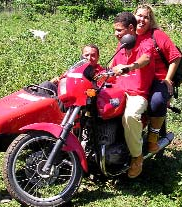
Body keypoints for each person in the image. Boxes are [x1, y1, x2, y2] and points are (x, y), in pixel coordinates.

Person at [109, 12, 155, 178]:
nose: (116, 34)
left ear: (130, 28)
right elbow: (112, 67)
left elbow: (145, 59)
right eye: (115, 30)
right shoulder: (121, 45)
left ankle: (137, 157)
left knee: (130, 116)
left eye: (119, 30)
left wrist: (129, 67)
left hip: (137, 93)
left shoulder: (146, 42)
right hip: (118, 90)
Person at [133, 4, 181, 153]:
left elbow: (175, 57)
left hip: (157, 79)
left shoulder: (157, 35)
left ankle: (152, 139)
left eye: (146, 17)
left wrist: (167, 79)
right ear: (133, 16)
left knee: (157, 101)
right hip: (137, 79)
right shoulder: (130, 35)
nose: (142, 19)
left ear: (150, 20)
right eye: (139, 15)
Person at [38, 44, 104, 95]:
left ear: (98, 57)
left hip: (79, 101)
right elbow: (62, 79)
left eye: (93, 55)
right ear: (82, 56)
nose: (89, 58)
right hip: (63, 93)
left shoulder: (102, 73)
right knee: (46, 85)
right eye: (86, 55)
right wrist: (55, 81)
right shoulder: (75, 68)